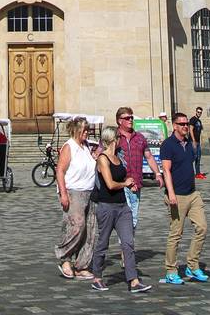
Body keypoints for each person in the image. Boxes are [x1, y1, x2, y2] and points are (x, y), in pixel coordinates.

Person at [88, 124, 152, 293]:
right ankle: (97, 277)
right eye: (118, 138)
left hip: (123, 206)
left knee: (128, 242)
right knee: (103, 242)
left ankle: (134, 281)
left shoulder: (119, 157)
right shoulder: (102, 158)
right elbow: (109, 184)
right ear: (113, 140)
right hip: (107, 206)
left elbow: (123, 176)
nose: (120, 140)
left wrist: (130, 184)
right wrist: (125, 183)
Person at [159, 112, 210, 286]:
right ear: (174, 126)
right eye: (181, 124)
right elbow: (166, 170)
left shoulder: (189, 144)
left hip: (193, 194)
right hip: (177, 195)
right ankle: (171, 271)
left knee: (202, 227)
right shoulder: (168, 145)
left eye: (186, 124)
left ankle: (192, 265)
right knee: (176, 234)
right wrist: (171, 193)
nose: (185, 127)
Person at [55, 116, 98, 280]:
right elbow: (60, 171)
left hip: (90, 191)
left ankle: (82, 265)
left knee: (90, 230)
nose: (87, 133)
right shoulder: (69, 146)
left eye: (88, 130)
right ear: (76, 130)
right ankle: (64, 257)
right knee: (76, 226)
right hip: (74, 192)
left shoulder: (87, 147)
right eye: (84, 130)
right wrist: (63, 193)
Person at [115, 107, 163, 232]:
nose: (130, 120)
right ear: (119, 121)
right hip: (120, 185)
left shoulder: (140, 138)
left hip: (136, 183)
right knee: (122, 218)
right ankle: (126, 249)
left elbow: (149, 156)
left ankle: (126, 250)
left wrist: (157, 173)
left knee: (133, 219)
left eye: (131, 117)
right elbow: (101, 155)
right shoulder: (114, 137)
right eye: (127, 118)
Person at [190, 107, 204, 180]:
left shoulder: (199, 121)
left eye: (200, 112)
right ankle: (188, 171)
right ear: (196, 112)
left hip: (198, 141)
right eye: (198, 112)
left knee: (198, 157)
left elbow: (200, 132)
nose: (199, 113)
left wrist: (200, 141)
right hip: (193, 141)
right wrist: (193, 140)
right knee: (193, 157)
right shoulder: (193, 119)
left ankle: (198, 173)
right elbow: (191, 130)